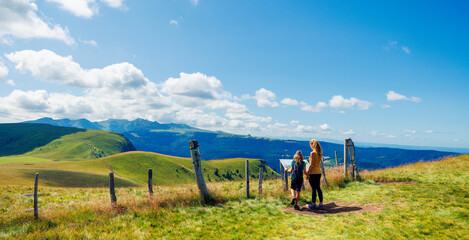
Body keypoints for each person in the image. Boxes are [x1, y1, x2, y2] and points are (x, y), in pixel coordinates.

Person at [306, 139, 324, 210]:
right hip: (318, 172)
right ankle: (321, 204)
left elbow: (311, 164)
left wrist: (307, 173)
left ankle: (313, 204)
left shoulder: (312, 153)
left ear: (312, 145)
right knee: (318, 188)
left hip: (313, 172)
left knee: (313, 188)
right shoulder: (319, 153)